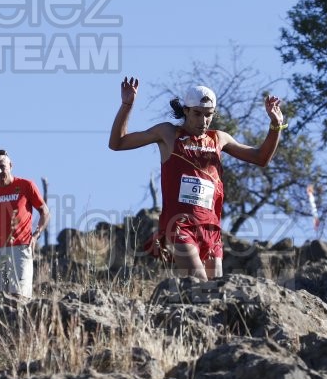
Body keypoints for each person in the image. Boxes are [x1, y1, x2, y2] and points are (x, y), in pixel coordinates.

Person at [108, 77, 286, 280]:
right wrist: (127, 105)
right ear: (186, 111)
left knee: (216, 292)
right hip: (179, 224)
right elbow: (118, 143)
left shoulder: (219, 139)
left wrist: (275, 125)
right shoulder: (168, 133)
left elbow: (261, 158)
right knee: (200, 283)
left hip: (210, 227)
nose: (203, 121)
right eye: (197, 114)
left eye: (208, 115)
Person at [0, 149, 50, 298]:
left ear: (10, 165)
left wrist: (36, 235)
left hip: (20, 246)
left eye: (2, 166)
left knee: (19, 296)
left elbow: (45, 212)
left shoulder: (26, 185)